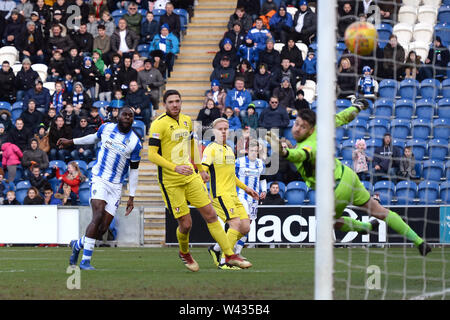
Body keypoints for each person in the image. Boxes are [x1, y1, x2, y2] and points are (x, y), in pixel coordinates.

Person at [269, 98, 431, 256]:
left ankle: (364, 227)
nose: (297, 129)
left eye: (302, 127)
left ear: (310, 130)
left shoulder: (309, 145)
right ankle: (419, 241)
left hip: (335, 191)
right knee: (379, 211)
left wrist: (285, 152)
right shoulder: (321, 128)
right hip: (348, 176)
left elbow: (299, 154)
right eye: (296, 124)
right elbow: (342, 117)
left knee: (330, 222)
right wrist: (358, 106)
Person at [148, 89, 251, 271]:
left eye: (177, 101)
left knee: (211, 214)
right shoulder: (158, 125)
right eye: (171, 102)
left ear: (181, 102)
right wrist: (175, 167)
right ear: (165, 104)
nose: (175, 104)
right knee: (186, 224)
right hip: (171, 181)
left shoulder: (187, 121)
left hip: (190, 177)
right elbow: (152, 155)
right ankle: (184, 252)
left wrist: (201, 169)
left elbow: (192, 145)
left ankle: (229, 255)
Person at [59, 106, 142, 270]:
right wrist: (72, 141)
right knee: (97, 215)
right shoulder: (106, 128)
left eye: (131, 116)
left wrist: (131, 196)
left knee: (103, 228)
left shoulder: (135, 143)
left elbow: (134, 171)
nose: (127, 118)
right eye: (125, 114)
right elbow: (93, 138)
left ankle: (78, 244)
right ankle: (85, 261)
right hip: (99, 178)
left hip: (116, 186)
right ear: (118, 117)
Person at [203, 118, 259, 270]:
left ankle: (216, 249)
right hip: (220, 194)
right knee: (234, 224)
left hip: (233, 194)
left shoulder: (229, 149)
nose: (223, 131)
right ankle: (225, 260)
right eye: (220, 129)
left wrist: (246, 188)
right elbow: (202, 173)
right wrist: (204, 193)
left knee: (245, 227)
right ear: (214, 131)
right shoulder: (210, 149)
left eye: (226, 129)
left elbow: (231, 175)